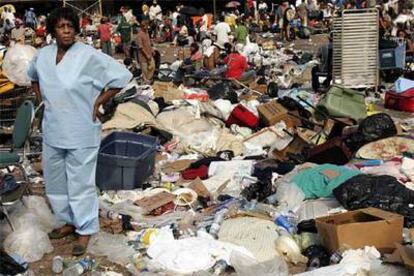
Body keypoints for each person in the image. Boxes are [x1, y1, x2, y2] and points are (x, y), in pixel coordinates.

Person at [27, 7, 132, 256]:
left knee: (80, 182)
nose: (66, 31)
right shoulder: (43, 56)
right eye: (61, 26)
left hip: (81, 129)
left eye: (70, 26)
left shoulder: (88, 56)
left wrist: (98, 102)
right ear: (52, 29)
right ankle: (67, 221)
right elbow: (33, 78)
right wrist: (41, 103)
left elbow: (121, 76)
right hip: (53, 129)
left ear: (76, 29)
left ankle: (85, 228)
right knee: (55, 180)